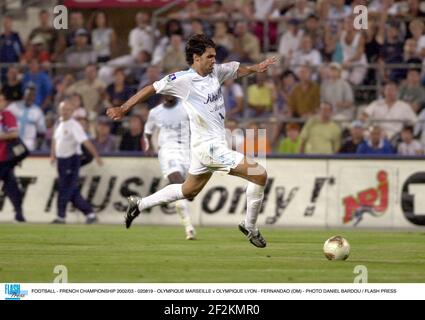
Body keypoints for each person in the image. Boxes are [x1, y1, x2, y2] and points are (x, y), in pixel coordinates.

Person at [107, 34, 277, 248]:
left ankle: (139, 204)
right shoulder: (183, 80)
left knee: (188, 190)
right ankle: (250, 227)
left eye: (215, 56)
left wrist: (256, 68)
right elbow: (151, 88)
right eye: (209, 56)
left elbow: (236, 70)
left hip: (203, 148)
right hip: (209, 148)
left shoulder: (216, 72)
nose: (214, 60)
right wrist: (123, 108)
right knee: (259, 174)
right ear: (196, 58)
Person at [144, 95, 196, 240]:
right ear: (163, 93)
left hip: (187, 151)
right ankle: (188, 227)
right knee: (178, 183)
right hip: (167, 152)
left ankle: (176, 192)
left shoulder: (186, 107)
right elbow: (148, 130)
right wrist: (148, 145)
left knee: (188, 193)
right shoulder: (155, 112)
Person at [50, 100, 103, 224]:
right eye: (63, 109)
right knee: (71, 190)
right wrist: (52, 155)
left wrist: (96, 156)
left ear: (72, 111)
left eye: (68, 109)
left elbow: (85, 141)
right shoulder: (58, 122)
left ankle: (61, 216)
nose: (65, 111)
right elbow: (54, 140)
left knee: (65, 188)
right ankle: (90, 214)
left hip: (71, 159)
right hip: (61, 161)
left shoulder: (74, 125)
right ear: (59, 110)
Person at [0, 93, 25, 222]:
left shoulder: (7, 115)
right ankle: (19, 213)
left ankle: (19, 213)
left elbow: (14, 133)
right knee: (11, 186)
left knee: (11, 187)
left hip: (5, 158)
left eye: (1, 100)